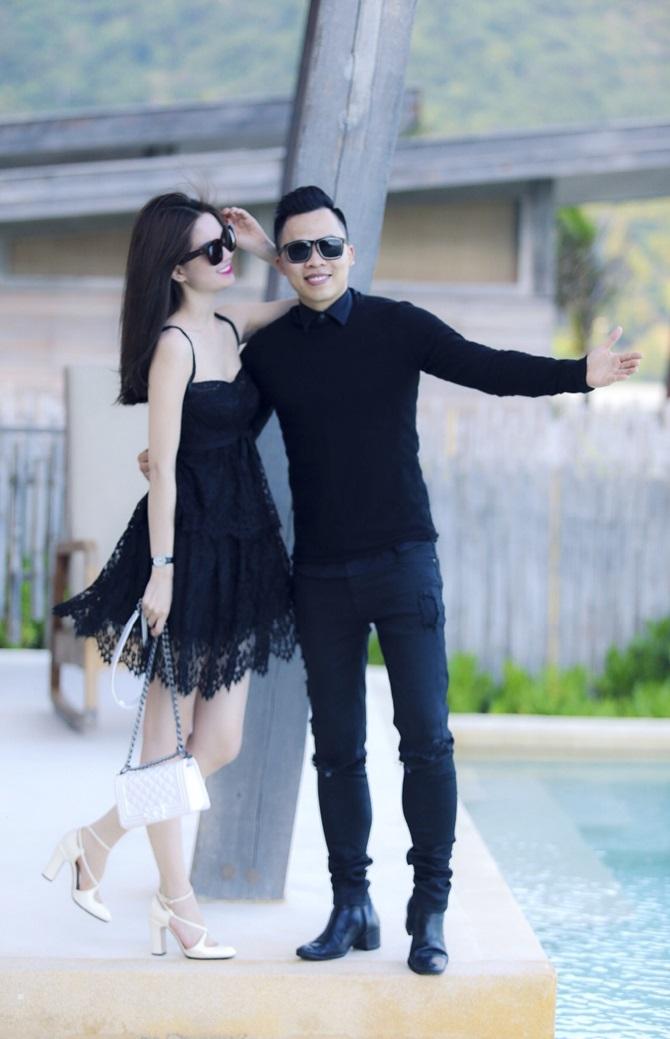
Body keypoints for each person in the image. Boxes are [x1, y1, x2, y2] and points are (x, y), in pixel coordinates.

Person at [141, 185, 641, 975]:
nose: (314, 260)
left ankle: (428, 910)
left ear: (351, 250)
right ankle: (352, 904)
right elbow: (227, 430)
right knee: (337, 750)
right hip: (319, 576)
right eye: (297, 249)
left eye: (327, 245)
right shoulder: (271, 351)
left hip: (404, 563)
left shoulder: (397, 325)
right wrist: (167, 459)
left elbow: (490, 368)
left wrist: (583, 372)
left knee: (427, 742)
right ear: (284, 259)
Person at [44, 192, 297, 960]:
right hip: (185, 551)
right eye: (211, 249)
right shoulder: (174, 347)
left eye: (226, 243)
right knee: (166, 737)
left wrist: (265, 249)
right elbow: (164, 474)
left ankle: (95, 838)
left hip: (242, 546)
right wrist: (161, 572)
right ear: (176, 269)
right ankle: (177, 903)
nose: (225, 256)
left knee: (219, 740)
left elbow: (311, 291)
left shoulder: (231, 324)